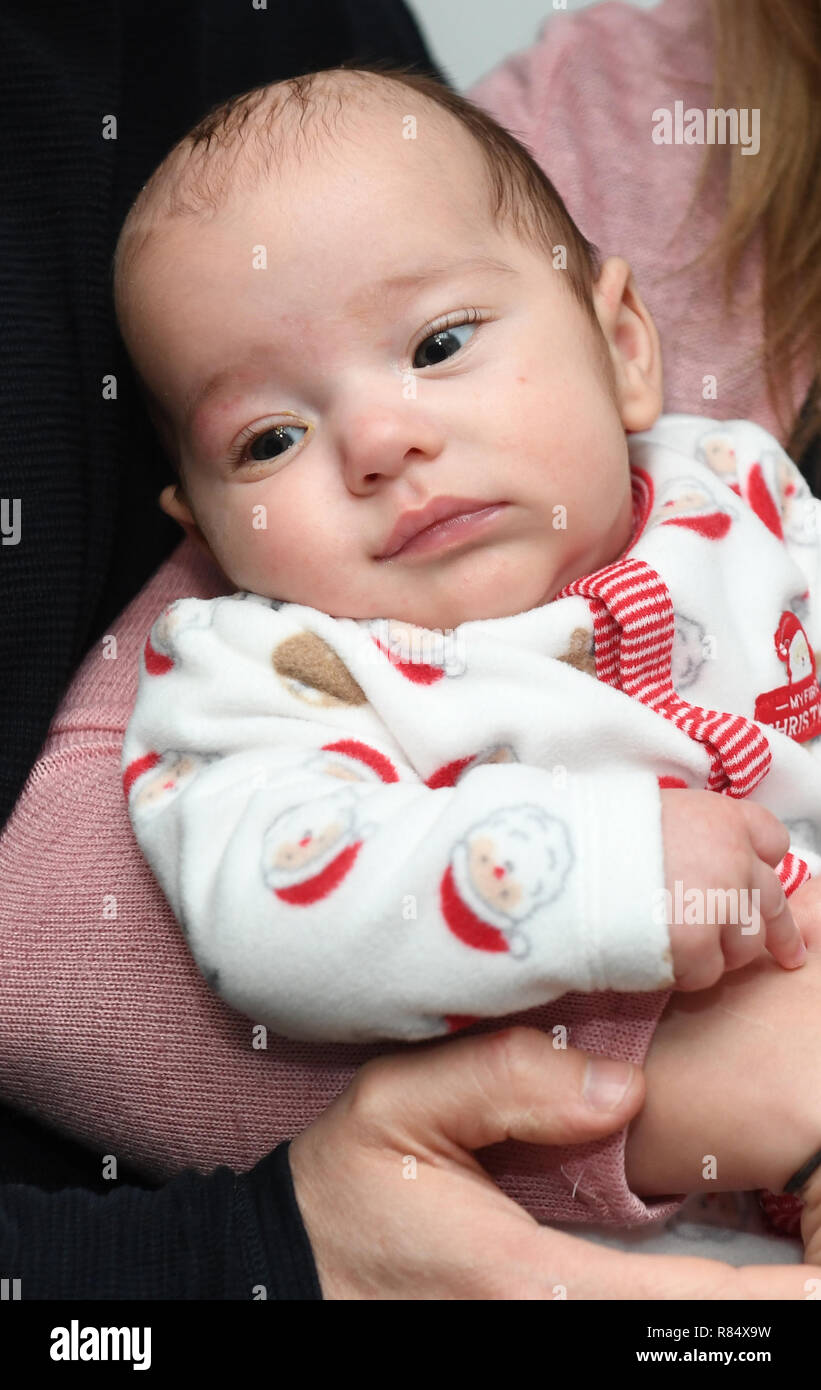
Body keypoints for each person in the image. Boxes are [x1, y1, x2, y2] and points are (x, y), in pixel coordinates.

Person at [2, 0, 819, 1298]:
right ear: (203, 527)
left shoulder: (743, 491)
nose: (379, 439)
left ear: (619, 347)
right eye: (269, 439)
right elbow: (272, 910)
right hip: (632, 1238)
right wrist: (600, 876)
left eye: (440, 346)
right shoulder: (269, 673)